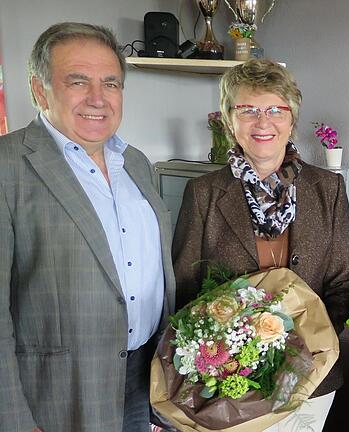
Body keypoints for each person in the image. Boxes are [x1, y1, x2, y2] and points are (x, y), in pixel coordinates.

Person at [0, 22, 175, 432]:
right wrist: (13, 420)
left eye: (110, 84)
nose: (98, 98)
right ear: (39, 90)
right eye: (78, 81)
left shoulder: (137, 163)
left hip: (142, 378)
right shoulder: (7, 166)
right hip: (55, 395)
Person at [172, 58, 349, 430]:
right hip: (231, 383)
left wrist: (304, 350)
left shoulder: (328, 189)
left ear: (291, 120)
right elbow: (185, 291)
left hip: (312, 377)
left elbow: (343, 282)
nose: (263, 121)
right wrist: (231, 357)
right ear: (228, 120)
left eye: (276, 109)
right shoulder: (203, 194)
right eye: (248, 110)